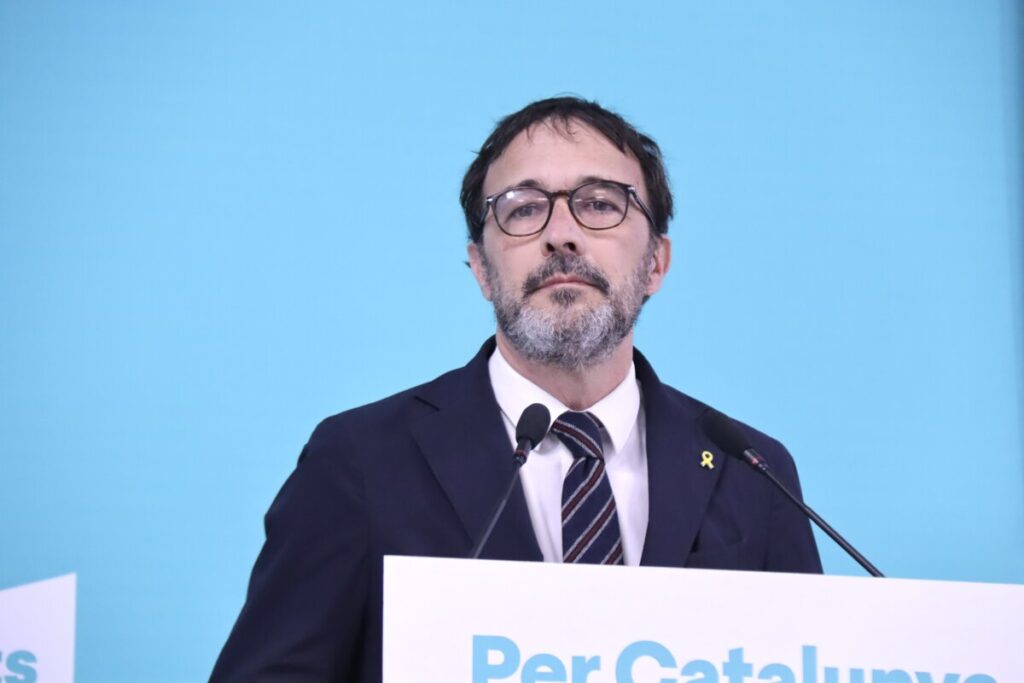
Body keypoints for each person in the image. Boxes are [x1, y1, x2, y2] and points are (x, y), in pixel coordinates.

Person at [209, 96, 822, 683]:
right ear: (481, 267)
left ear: (656, 263)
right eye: (524, 209)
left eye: (600, 204)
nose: (562, 234)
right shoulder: (360, 460)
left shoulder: (754, 471)